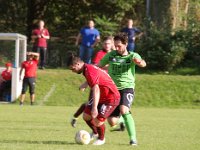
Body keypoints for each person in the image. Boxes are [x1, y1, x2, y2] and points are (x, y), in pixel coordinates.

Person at [98, 33, 146, 145]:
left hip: (127, 87)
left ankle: (133, 139)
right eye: (115, 46)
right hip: (112, 89)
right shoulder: (111, 55)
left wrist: (139, 62)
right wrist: (87, 68)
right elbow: (99, 65)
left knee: (124, 110)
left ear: (126, 44)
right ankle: (123, 120)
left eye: (119, 46)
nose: (117, 48)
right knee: (112, 121)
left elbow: (143, 64)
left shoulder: (132, 55)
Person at [67, 55, 120, 145]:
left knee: (98, 121)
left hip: (111, 97)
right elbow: (95, 78)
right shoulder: (87, 69)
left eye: (73, 69)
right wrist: (85, 84)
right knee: (87, 116)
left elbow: (96, 89)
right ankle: (95, 133)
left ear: (78, 64)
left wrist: (94, 107)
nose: (73, 71)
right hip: (102, 96)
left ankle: (101, 139)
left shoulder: (89, 70)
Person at [70, 36, 113, 128]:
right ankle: (76, 117)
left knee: (109, 106)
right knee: (90, 105)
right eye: (105, 43)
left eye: (109, 43)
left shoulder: (115, 55)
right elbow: (95, 68)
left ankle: (116, 122)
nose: (107, 45)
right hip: (98, 83)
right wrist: (86, 83)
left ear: (112, 44)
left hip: (110, 83)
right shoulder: (100, 53)